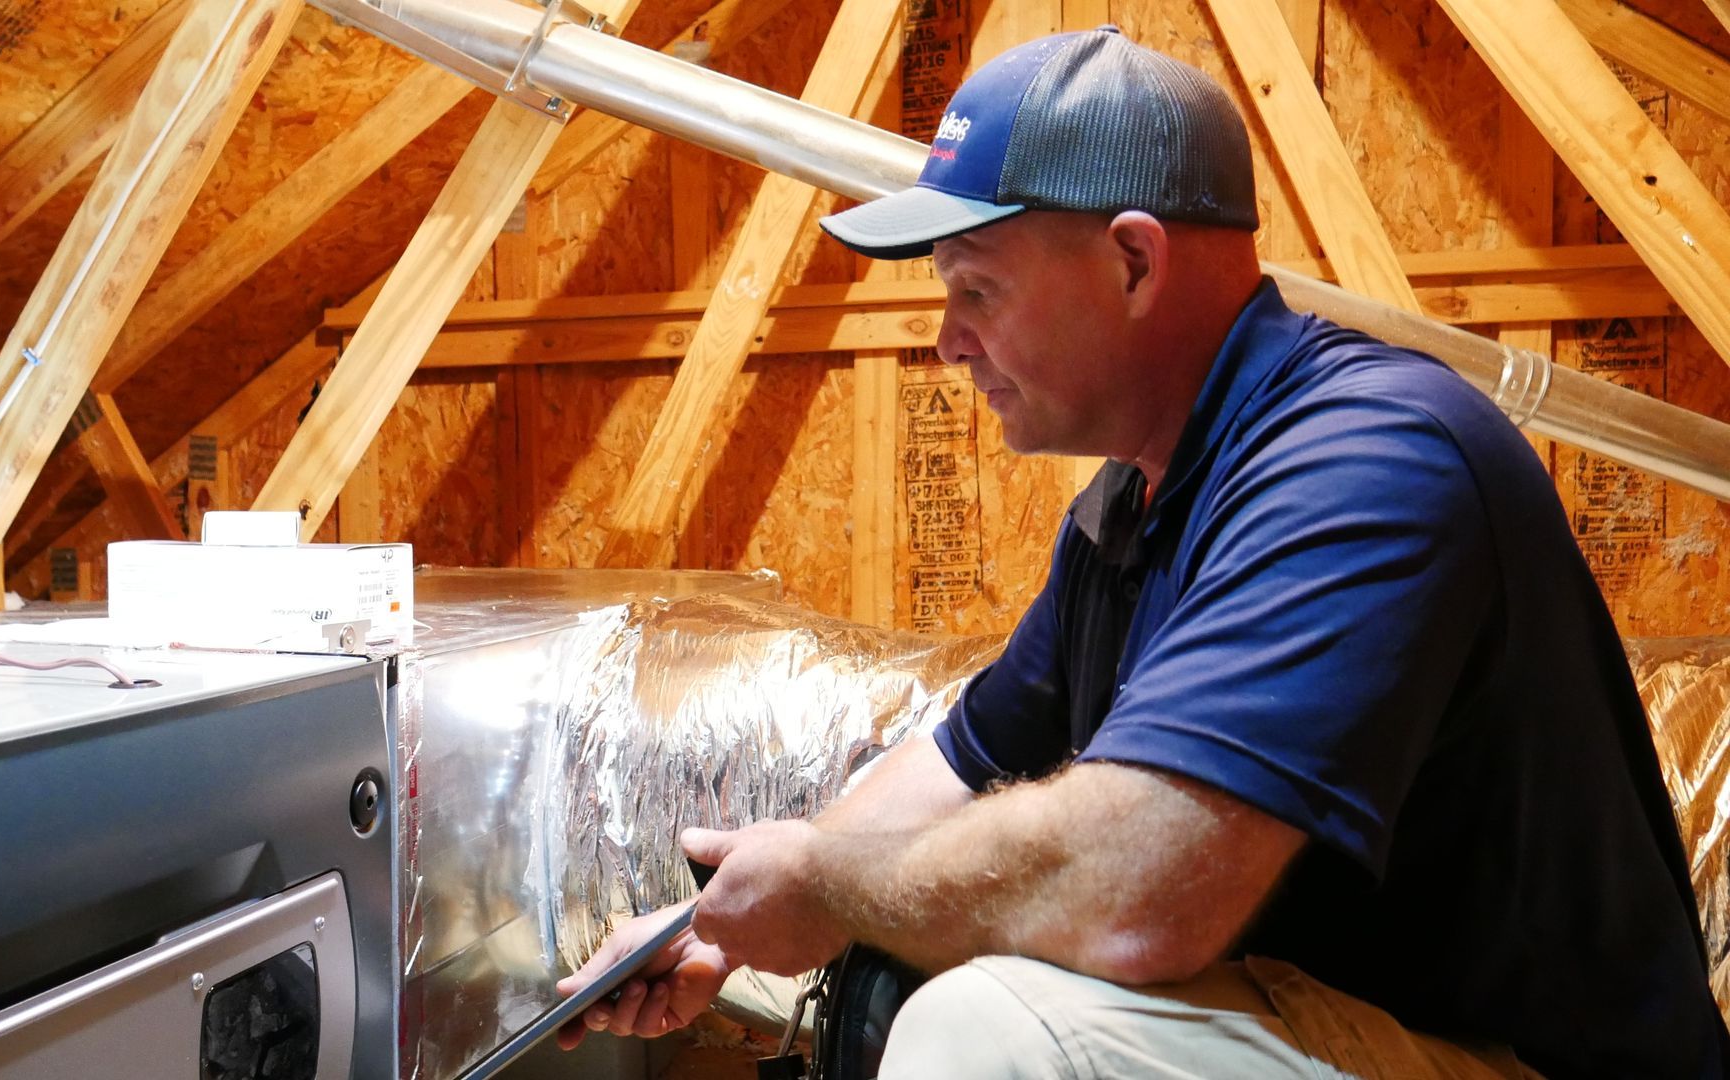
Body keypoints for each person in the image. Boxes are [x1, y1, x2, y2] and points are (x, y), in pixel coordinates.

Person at [556, 26, 1730, 1078]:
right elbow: (962, 761)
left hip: (1515, 1063)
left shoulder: (1371, 465)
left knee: (990, 1031)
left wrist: (829, 892)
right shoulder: (1136, 506)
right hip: (1339, 1022)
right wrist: (712, 929)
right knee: (895, 973)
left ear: (1132, 261)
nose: (946, 341)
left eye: (975, 288)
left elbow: (1136, 895)